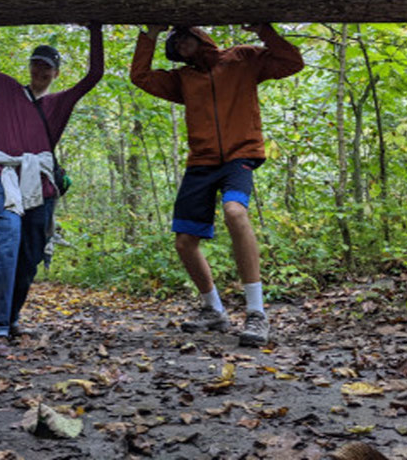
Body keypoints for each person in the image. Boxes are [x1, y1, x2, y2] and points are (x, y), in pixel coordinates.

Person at [130, 23, 303, 346]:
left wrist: (264, 29)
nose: (181, 43)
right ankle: (214, 311)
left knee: (235, 212)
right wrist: (150, 34)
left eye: (185, 36)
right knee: (184, 242)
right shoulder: (182, 80)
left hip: (240, 156)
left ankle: (256, 313)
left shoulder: (242, 59)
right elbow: (140, 77)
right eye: (175, 41)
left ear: (200, 35)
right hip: (201, 163)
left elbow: (292, 62)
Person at [0, 13, 103, 357]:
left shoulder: (60, 103)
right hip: (1, 174)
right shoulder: (6, 88)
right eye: (36, 65)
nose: (40, 72)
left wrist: (95, 27)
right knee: (7, 237)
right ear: (30, 67)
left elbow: (94, 75)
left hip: (40, 184)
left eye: (47, 68)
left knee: (30, 256)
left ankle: (9, 320)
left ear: (55, 73)